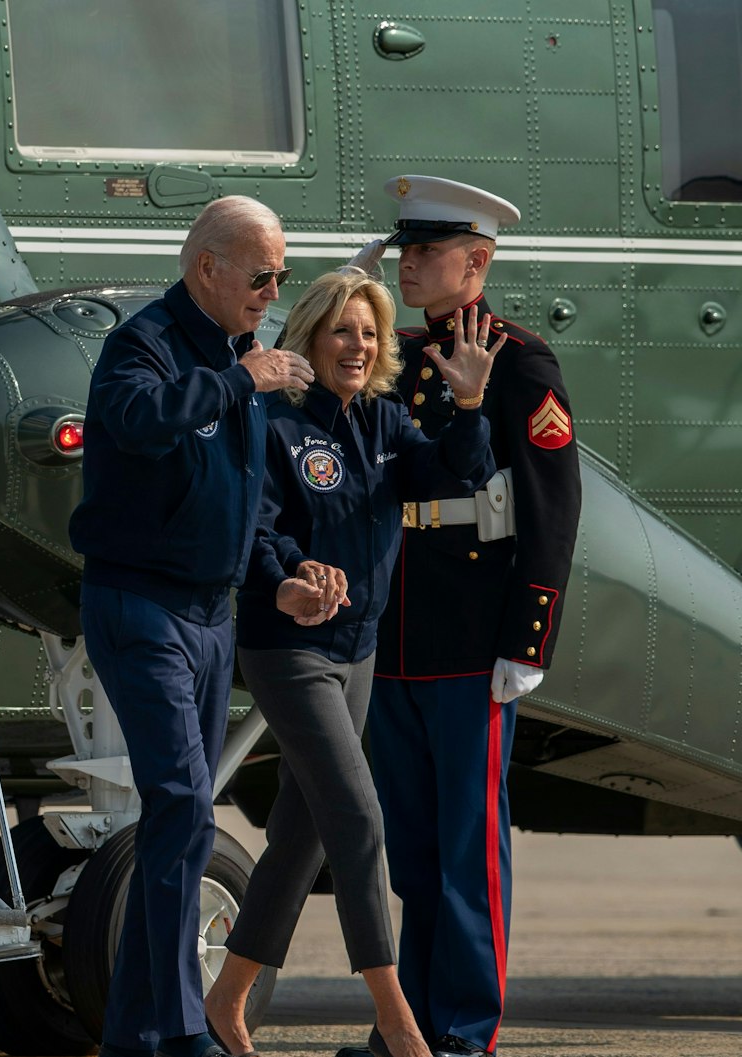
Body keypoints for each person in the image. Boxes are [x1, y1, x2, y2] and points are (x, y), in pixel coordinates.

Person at [202, 268, 498, 1057]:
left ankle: (225, 1000)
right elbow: (257, 533)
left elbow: (455, 471)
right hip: (288, 648)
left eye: (369, 332)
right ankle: (399, 1023)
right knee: (360, 819)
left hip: (356, 651)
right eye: (342, 329)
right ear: (310, 335)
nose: (357, 345)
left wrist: (469, 406)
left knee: (303, 835)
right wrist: (292, 575)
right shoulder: (273, 421)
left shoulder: (382, 422)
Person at [67, 196, 314, 1057]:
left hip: (212, 613)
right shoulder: (144, 345)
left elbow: (244, 502)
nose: (272, 291)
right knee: (182, 803)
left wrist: (279, 581)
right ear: (206, 267)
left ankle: (139, 1027)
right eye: (261, 274)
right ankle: (177, 1025)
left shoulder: (240, 354)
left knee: (185, 813)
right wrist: (243, 379)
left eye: (281, 276)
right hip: (142, 603)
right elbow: (135, 422)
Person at [362, 175, 583, 1057]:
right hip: (394, 635)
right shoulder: (397, 355)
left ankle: (462, 1032)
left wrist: (528, 638)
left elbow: (551, 509)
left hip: (470, 637)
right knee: (412, 852)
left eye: (428, 250)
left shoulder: (521, 363)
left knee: (466, 852)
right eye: (405, 248)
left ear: (477, 262)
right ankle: (408, 1029)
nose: (409, 261)